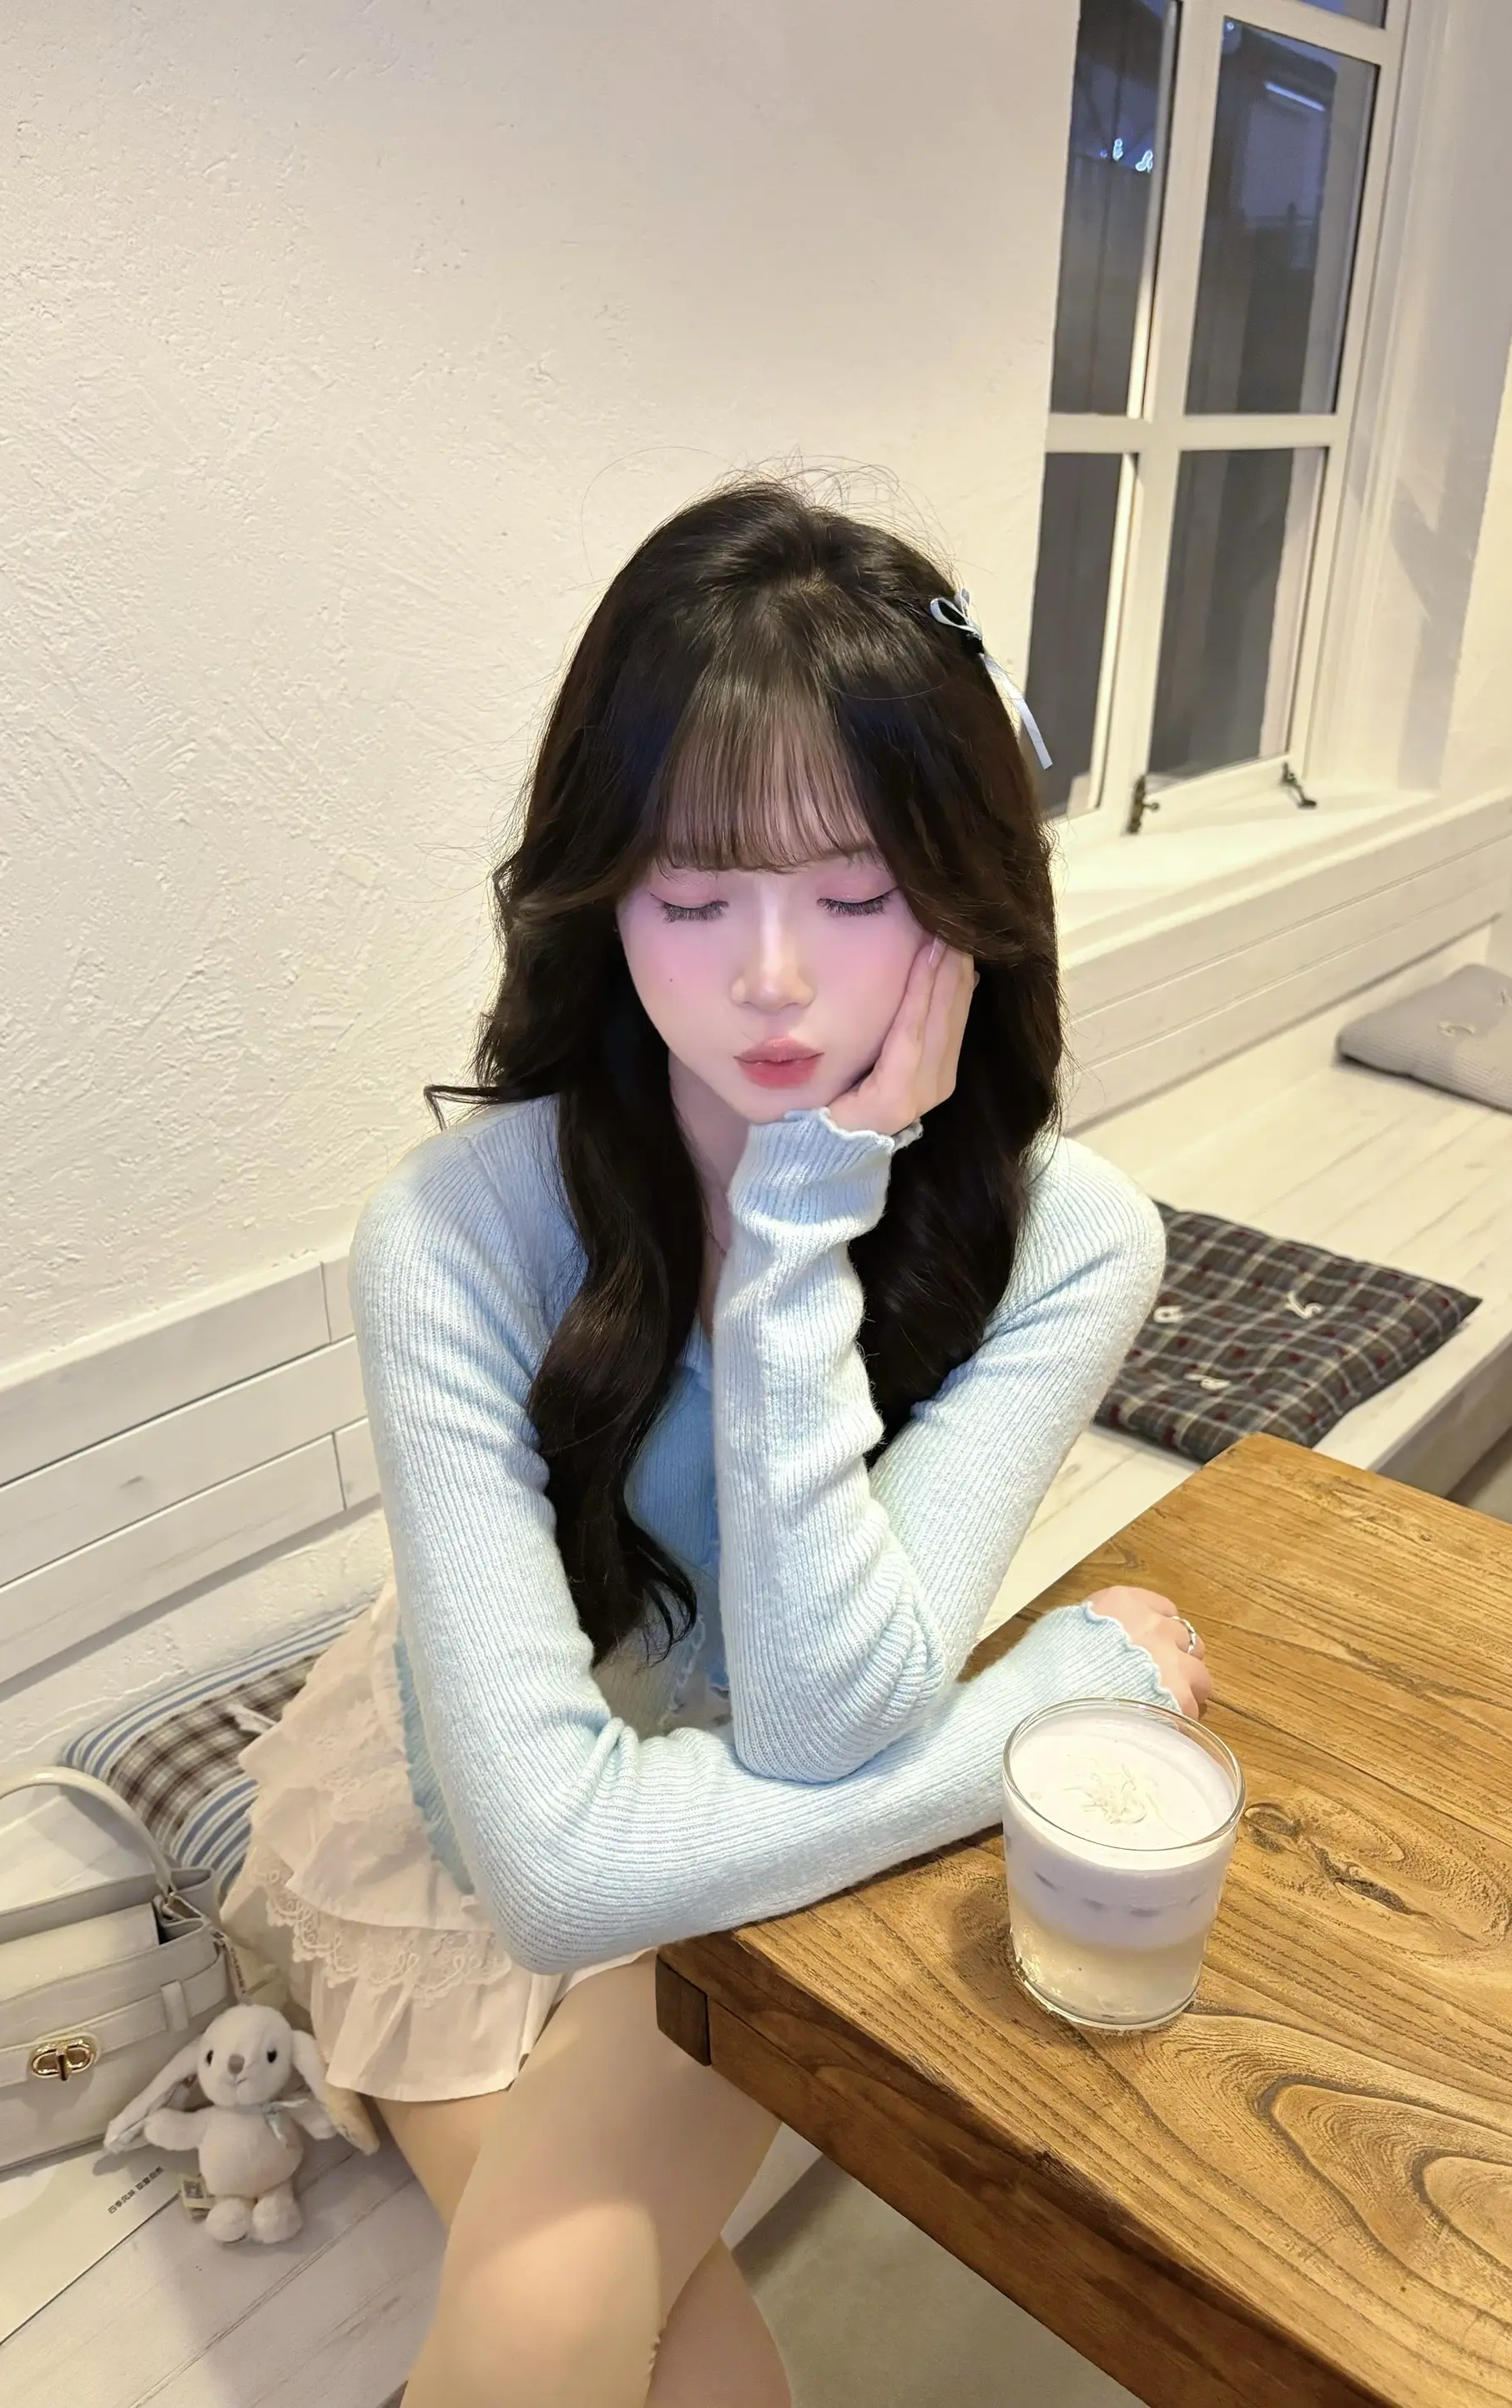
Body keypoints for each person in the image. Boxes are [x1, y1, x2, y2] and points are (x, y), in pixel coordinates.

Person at [220, 478, 1212, 2407]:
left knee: (627, 2341)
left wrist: (797, 1232)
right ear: (601, 897)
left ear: (971, 900)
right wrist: (1038, 1712)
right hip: (456, 1817)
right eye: (692, 896)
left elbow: (825, 1719)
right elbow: (556, 1870)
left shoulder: (1074, 1241)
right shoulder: (458, 1236)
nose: (771, 976)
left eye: (854, 894)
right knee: (646, 2348)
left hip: (761, 1813)